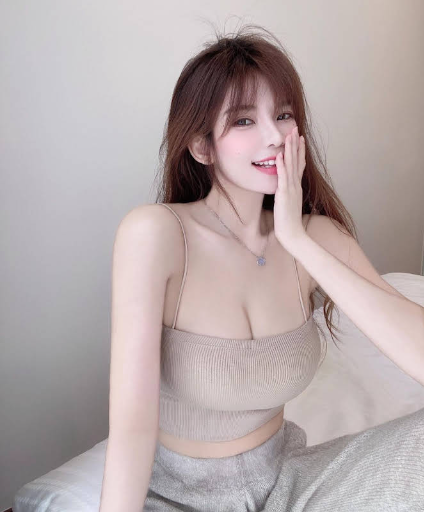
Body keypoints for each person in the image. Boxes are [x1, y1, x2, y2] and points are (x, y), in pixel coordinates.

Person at [99, 24, 424, 512]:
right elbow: (131, 429)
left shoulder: (315, 237)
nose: (275, 136)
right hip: (180, 498)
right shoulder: (156, 235)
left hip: (291, 484)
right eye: (245, 120)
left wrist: (298, 240)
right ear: (202, 146)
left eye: (284, 115)